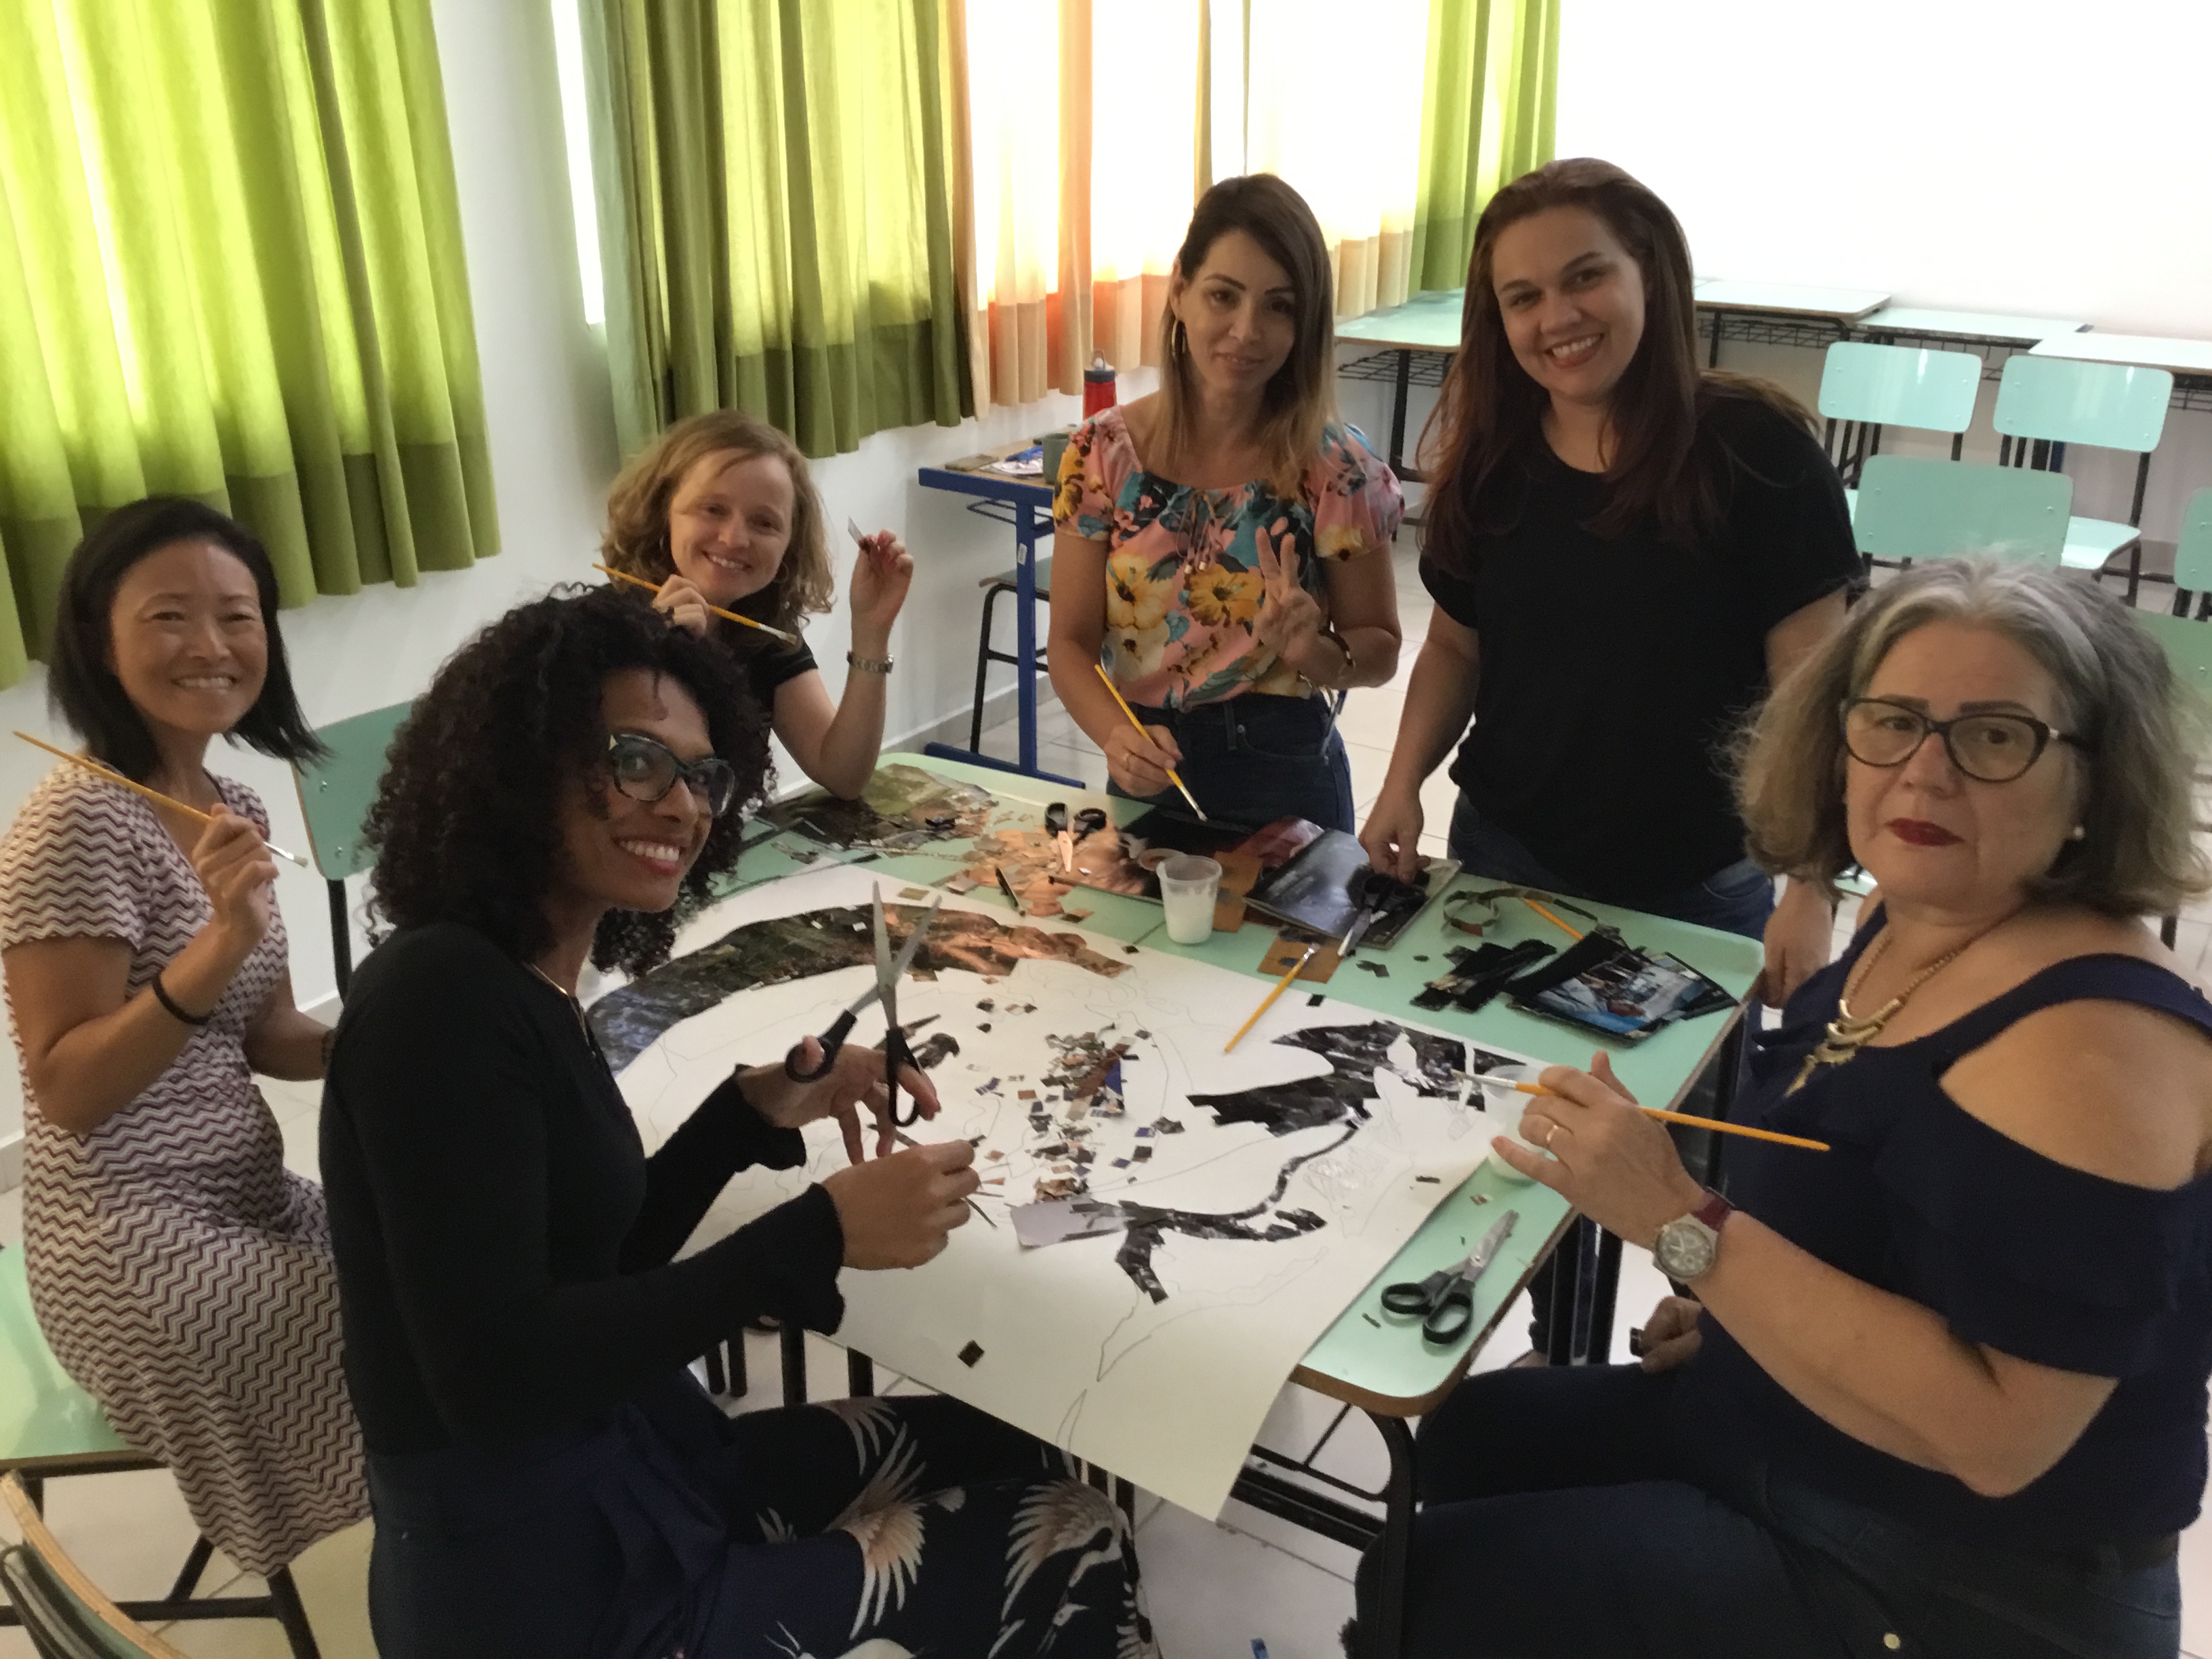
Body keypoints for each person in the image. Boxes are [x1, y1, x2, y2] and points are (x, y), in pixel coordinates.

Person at [1359, 560, 2212, 1659]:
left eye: (1995, 736)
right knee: (1466, 1436)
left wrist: (1683, 1226)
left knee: (1428, 1587)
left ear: (2090, 782)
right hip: (1800, 1434)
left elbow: (2000, 1435)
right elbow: (1878, 1219)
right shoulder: (1917, 915)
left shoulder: (2091, 1041)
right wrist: (1741, 1324)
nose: (1924, 771)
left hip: (1957, 1571)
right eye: (1892, 721)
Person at [321, 586, 1152, 1659]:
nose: (682, 805)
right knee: (1075, 1532)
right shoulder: (439, 1002)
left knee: (1021, 1442)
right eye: (636, 761)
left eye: (705, 775)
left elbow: (592, 1268)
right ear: (519, 764)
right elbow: (495, 1379)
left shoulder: (521, 976)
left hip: (623, 1477)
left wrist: (746, 1113)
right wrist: (818, 1231)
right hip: (548, 1591)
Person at [1357, 158, 1859, 1001]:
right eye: (1523, 297)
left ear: (1649, 275)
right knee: (1496, 1081)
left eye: (1585, 277)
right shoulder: (1491, 461)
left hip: (1698, 880)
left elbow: (1814, 692)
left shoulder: (1759, 451)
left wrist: (1812, 886)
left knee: (1671, 1094)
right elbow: (1454, 649)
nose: (1557, 317)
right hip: (1506, 857)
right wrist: (1401, 780)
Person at [0, 499, 366, 1582]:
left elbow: (270, 1033)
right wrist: (219, 944)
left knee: (443, 1281)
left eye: (238, 616)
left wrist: (396, 1040)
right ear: (98, 640)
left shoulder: (229, 799)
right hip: (128, 1242)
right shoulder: (75, 822)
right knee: (418, 1353)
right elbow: (67, 1087)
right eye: (169, 616)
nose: (211, 645)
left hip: (247, 1198)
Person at [1049, 173, 1405, 832]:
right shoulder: (1101, 455)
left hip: (1286, 771)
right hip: (1150, 764)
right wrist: (1116, 736)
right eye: (1224, 296)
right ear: (1180, 291)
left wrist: (1315, 652)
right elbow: (1070, 644)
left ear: (1304, 323)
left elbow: (1380, 648)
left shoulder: (1336, 468)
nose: (1247, 331)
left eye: (1279, 306)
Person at [600, 409, 913, 798]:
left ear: (790, 543)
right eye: (712, 509)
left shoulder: (763, 633)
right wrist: (664, 652)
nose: (734, 539)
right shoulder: (606, 630)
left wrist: (871, 631)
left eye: (764, 523)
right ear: (664, 511)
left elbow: (843, 774)